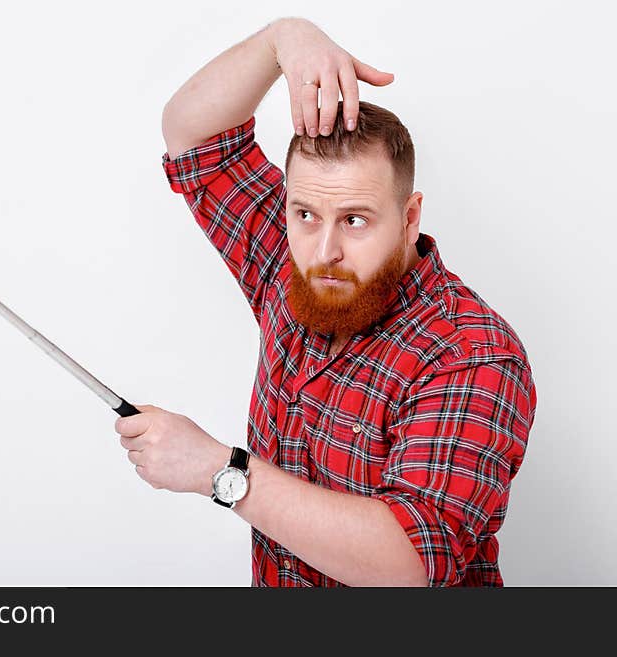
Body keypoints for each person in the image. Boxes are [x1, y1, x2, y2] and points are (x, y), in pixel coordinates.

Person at [115, 17, 537, 586]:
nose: (326, 250)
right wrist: (281, 39)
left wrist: (221, 471)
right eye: (305, 214)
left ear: (409, 218)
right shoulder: (293, 265)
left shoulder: (472, 353)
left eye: (356, 220)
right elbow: (193, 139)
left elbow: (412, 564)